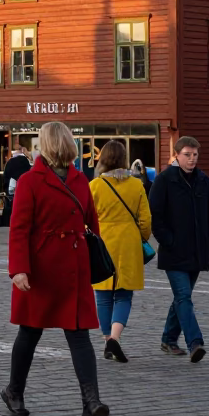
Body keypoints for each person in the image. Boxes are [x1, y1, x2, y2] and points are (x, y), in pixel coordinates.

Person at [1, 121, 109, 416]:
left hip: (72, 266)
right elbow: (19, 228)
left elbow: (92, 224)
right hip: (41, 268)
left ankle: (91, 404)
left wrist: (92, 261)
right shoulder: (29, 181)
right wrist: (18, 268)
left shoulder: (79, 179)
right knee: (30, 332)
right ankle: (14, 392)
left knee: (78, 334)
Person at [149, 136, 209, 363]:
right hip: (174, 251)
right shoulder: (165, 180)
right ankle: (195, 342)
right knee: (184, 296)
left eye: (195, 154)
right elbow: (155, 215)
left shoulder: (204, 181)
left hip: (197, 251)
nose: (192, 159)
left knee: (181, 297)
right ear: (177, 155)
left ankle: (168, 338)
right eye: (187, 154)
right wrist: (168, 240)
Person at [90, 140, 152, 363]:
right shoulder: (136, 185)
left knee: (103, 296)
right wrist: (141, 239)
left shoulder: (95, 186)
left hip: (103, 243)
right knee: (124, 294)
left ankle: (107, 339)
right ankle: (115, 337)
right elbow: (145, 220)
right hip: (128, 243)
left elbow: (87, 219)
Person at [3, 144, 33, 225]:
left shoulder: (10, 162)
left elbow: (6, 176)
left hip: (12, 189)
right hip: (24, 189)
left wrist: (5, 189)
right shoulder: (26, 162)